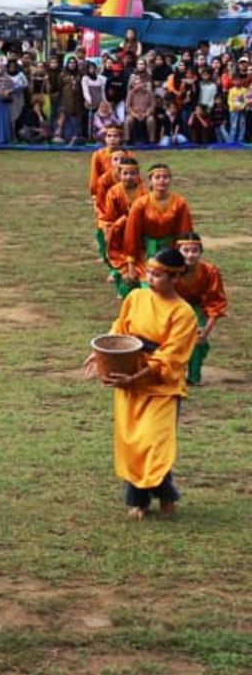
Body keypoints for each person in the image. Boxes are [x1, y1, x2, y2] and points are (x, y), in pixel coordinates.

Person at [88, 248, 196, 520]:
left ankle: (166, 495)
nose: (150, 278)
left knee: (153, 443)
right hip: (128, 379)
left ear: (175, 277)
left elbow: (171, 357)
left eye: (157, 275)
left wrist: (137, 377)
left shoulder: (184, 314)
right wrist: (102, 355)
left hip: (160, 387)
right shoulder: (135, 297)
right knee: (132, 442)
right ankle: (138, 501)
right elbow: (120, 329)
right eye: (149, 272)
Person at [121, 164, 193, 288]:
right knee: (149, 286)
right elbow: (132, 234)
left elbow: (184, 231)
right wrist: (131, 264)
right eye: (157, 177)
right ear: (150, 181)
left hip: (170, 250)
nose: (162, 180)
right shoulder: (140, 204)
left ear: (170, 179)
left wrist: (184, 258)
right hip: (147, 252)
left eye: (165, 177)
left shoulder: (179, 203)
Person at [174, 234, 227, 386]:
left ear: (201, 252)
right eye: (186, 250)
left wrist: (206, 330)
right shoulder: (170, 270)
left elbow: (216, 301)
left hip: (197, 307)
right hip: (172, 306)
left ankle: (193, 377)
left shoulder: (210, 271)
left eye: (194, 250)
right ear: (178, 251)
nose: (190, 255)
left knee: (197, 337)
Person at [99, 157, 146, 298]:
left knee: (140, 262)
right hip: (120, 233)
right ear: (119, 174)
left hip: (139, 233)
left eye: (132, 173)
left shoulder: (144, 191)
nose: (129, 177)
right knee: (122, 262)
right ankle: (123, 289)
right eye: (125, 173)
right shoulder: (114, 192)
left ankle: (141, 290)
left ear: (138, 174)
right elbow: (110, 218)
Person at [88, 126, 124, 261]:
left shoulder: (128, 155)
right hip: (103, 197)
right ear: (105, 138)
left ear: (121, 138)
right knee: (104, 227)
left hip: (122, 197)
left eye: (116, 136)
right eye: (109, 136)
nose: (112, 139)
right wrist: (95, 196)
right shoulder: (98, 155)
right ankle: (105, 253)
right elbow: (94, 178)